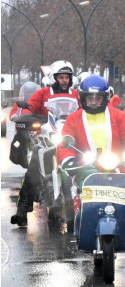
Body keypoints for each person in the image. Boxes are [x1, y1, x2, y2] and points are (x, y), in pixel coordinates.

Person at [57, 75, 125, 268]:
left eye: (98, 97)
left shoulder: (117, 116)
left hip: (117, 168)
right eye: (89, 98)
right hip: (86, 169)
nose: (93, 101)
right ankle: (82, 234)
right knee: (86, 203)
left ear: (105, 97)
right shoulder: (73, 119)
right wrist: (69, 158)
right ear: (82, 97)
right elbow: (64, 144)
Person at [10, 60, 80, 226]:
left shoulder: (76, 94)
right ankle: (22, 209)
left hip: (70, 140)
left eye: (67, 77)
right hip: (46, 138)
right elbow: (29, 107)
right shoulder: (43, 93)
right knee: (33, 169)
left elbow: (85, 111)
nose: (64, 80)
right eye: (61, 77)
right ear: (54, 78)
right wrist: (24, 117)